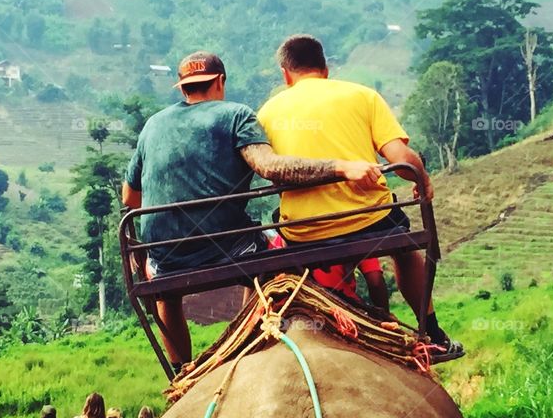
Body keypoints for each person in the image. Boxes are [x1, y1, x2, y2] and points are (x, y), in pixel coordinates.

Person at [122, 51, 382, 372]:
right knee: (273, 251)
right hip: (229, 248)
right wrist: (341, 167)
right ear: (220, 81)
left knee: (167, 295)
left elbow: (130, 197)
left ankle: (179, 369)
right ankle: (245, 338)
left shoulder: (153, 125)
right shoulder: (235, 115)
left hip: (165, 258)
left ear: (182, 88)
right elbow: (270, 167)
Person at [257, 34, 463, 360]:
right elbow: (402, 158)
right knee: (406, 251)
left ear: (286, 74)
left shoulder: (267, 112)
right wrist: (422, 182)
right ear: (326, 68)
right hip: (370, 221)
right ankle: (432, 331)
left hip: (304, 231)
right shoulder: (362, 95)